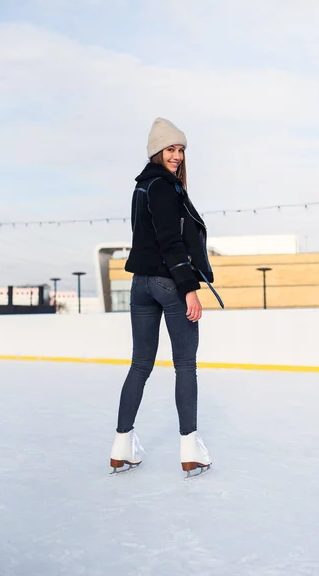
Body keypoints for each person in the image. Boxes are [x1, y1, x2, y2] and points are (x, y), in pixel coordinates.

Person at [110, 117, 215, 477]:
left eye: (181, 150)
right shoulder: (163, 188)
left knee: (140, 365)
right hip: (167, 283)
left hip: (140, 285)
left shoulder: (141, 187)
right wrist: (189, 288)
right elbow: (171, 242)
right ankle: (191, 449)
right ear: (157, 151)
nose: (177, 156)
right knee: (185, 364)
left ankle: (121, 445)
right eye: (171, 149)